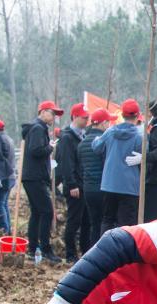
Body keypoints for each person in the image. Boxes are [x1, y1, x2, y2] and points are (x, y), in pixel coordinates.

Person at [21, 101, 62, 262]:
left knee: (37, 213)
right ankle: (45, 249)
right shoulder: (38, 128)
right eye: (52, 113)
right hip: (35, 177)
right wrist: (50, 147)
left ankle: (32, 248)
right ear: (43, 112)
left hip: (32, 177)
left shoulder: (37, 128)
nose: (54, 118)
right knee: (46, 212)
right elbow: (36, 150)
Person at [92, 99, 143, 229]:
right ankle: (123, 249)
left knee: (107, 220)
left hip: (109, 184)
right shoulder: (140, 136)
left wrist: (97, 138)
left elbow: (97, 148)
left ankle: (106, 248)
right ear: (137, 115)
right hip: (130, 186)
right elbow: (146, 157)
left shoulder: (110, 132)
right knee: (126, 225)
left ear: (122, 114)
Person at [57, 103, 92, 263]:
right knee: (74, 220)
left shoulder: (82, 136)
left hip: (84, 184)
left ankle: (85, 251)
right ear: (75, 117)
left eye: (87, 117)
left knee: (86, 220)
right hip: (75, 186)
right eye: (84, 118)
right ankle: (70, 253)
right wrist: (71, 184)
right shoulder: (67, 137)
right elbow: (66, 163)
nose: (86, 120)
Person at [77, 109, 111, 241]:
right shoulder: (104, 141)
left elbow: (81, 166)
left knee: (94, 223)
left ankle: (92, 251)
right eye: (108, 122)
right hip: (103, 187)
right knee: (105, 222)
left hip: (88, 189)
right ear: (102, 123)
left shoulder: (82, 144)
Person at [0, 119, 15, 233]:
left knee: (1, 204)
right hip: (11, 176)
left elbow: (1, 157)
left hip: (5, 176)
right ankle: (8, 229)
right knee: (4, 203)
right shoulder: (8, 138)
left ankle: (5, 229)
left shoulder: (0, 139)